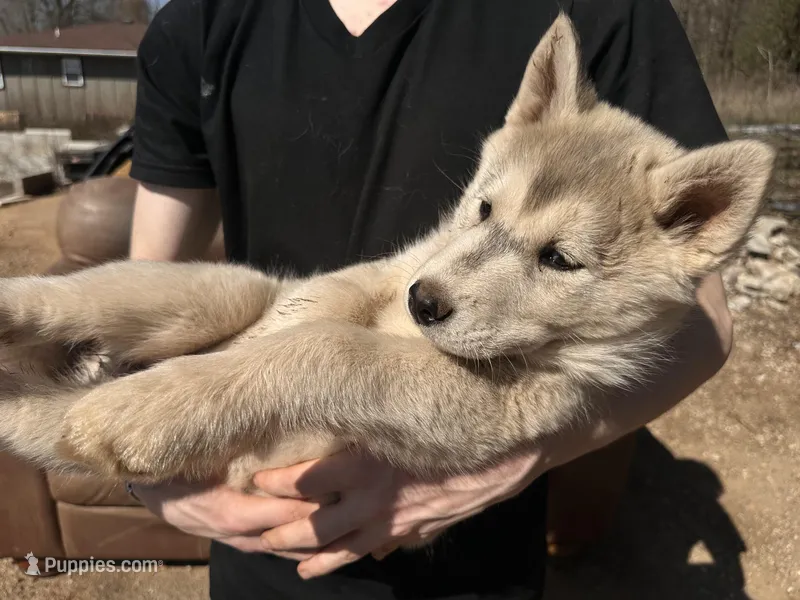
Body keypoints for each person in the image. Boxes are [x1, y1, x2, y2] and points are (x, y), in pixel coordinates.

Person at [127, 0, 735, 598]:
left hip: (472, 553)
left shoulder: (600, 12)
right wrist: (153, 479)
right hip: (259, 547)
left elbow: (706, 321)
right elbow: (143, 295)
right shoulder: (201, 23)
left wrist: (496, 464)